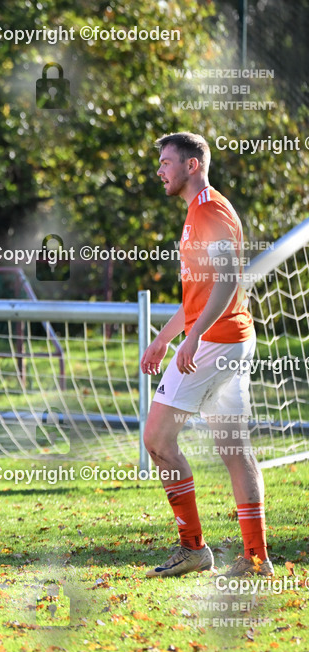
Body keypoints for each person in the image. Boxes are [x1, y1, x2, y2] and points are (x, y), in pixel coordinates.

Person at [141, 132, 269, 578]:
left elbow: (229, 279)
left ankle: (193, 547)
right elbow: (199, 292)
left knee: (157, 439)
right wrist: (165, 337)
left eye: (166, 162)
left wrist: (193, 338)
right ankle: (256, 559)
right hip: (230, 337)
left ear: (192, 165)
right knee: (235, 448)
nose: (160, 170)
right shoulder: (197, 212)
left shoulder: (211, 209)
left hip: (217, 342)